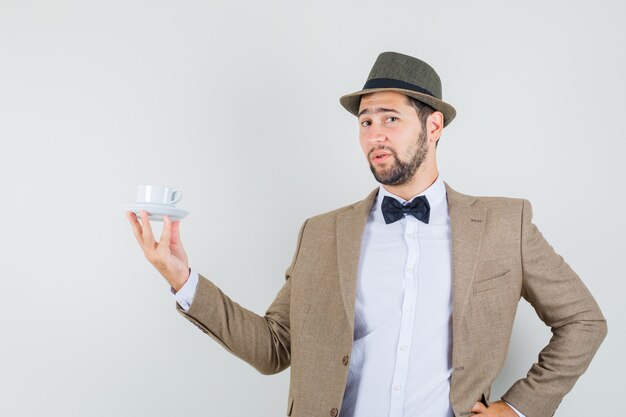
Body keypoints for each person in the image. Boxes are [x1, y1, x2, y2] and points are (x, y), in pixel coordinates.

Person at [126, 51, 607, 417]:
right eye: (366, 122)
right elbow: (275, 348)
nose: (375, 135)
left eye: (391, 119)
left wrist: (519, 408)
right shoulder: (321, 233)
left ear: (433, 125)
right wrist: (182, 277)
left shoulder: (506, 225)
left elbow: (584, 322)